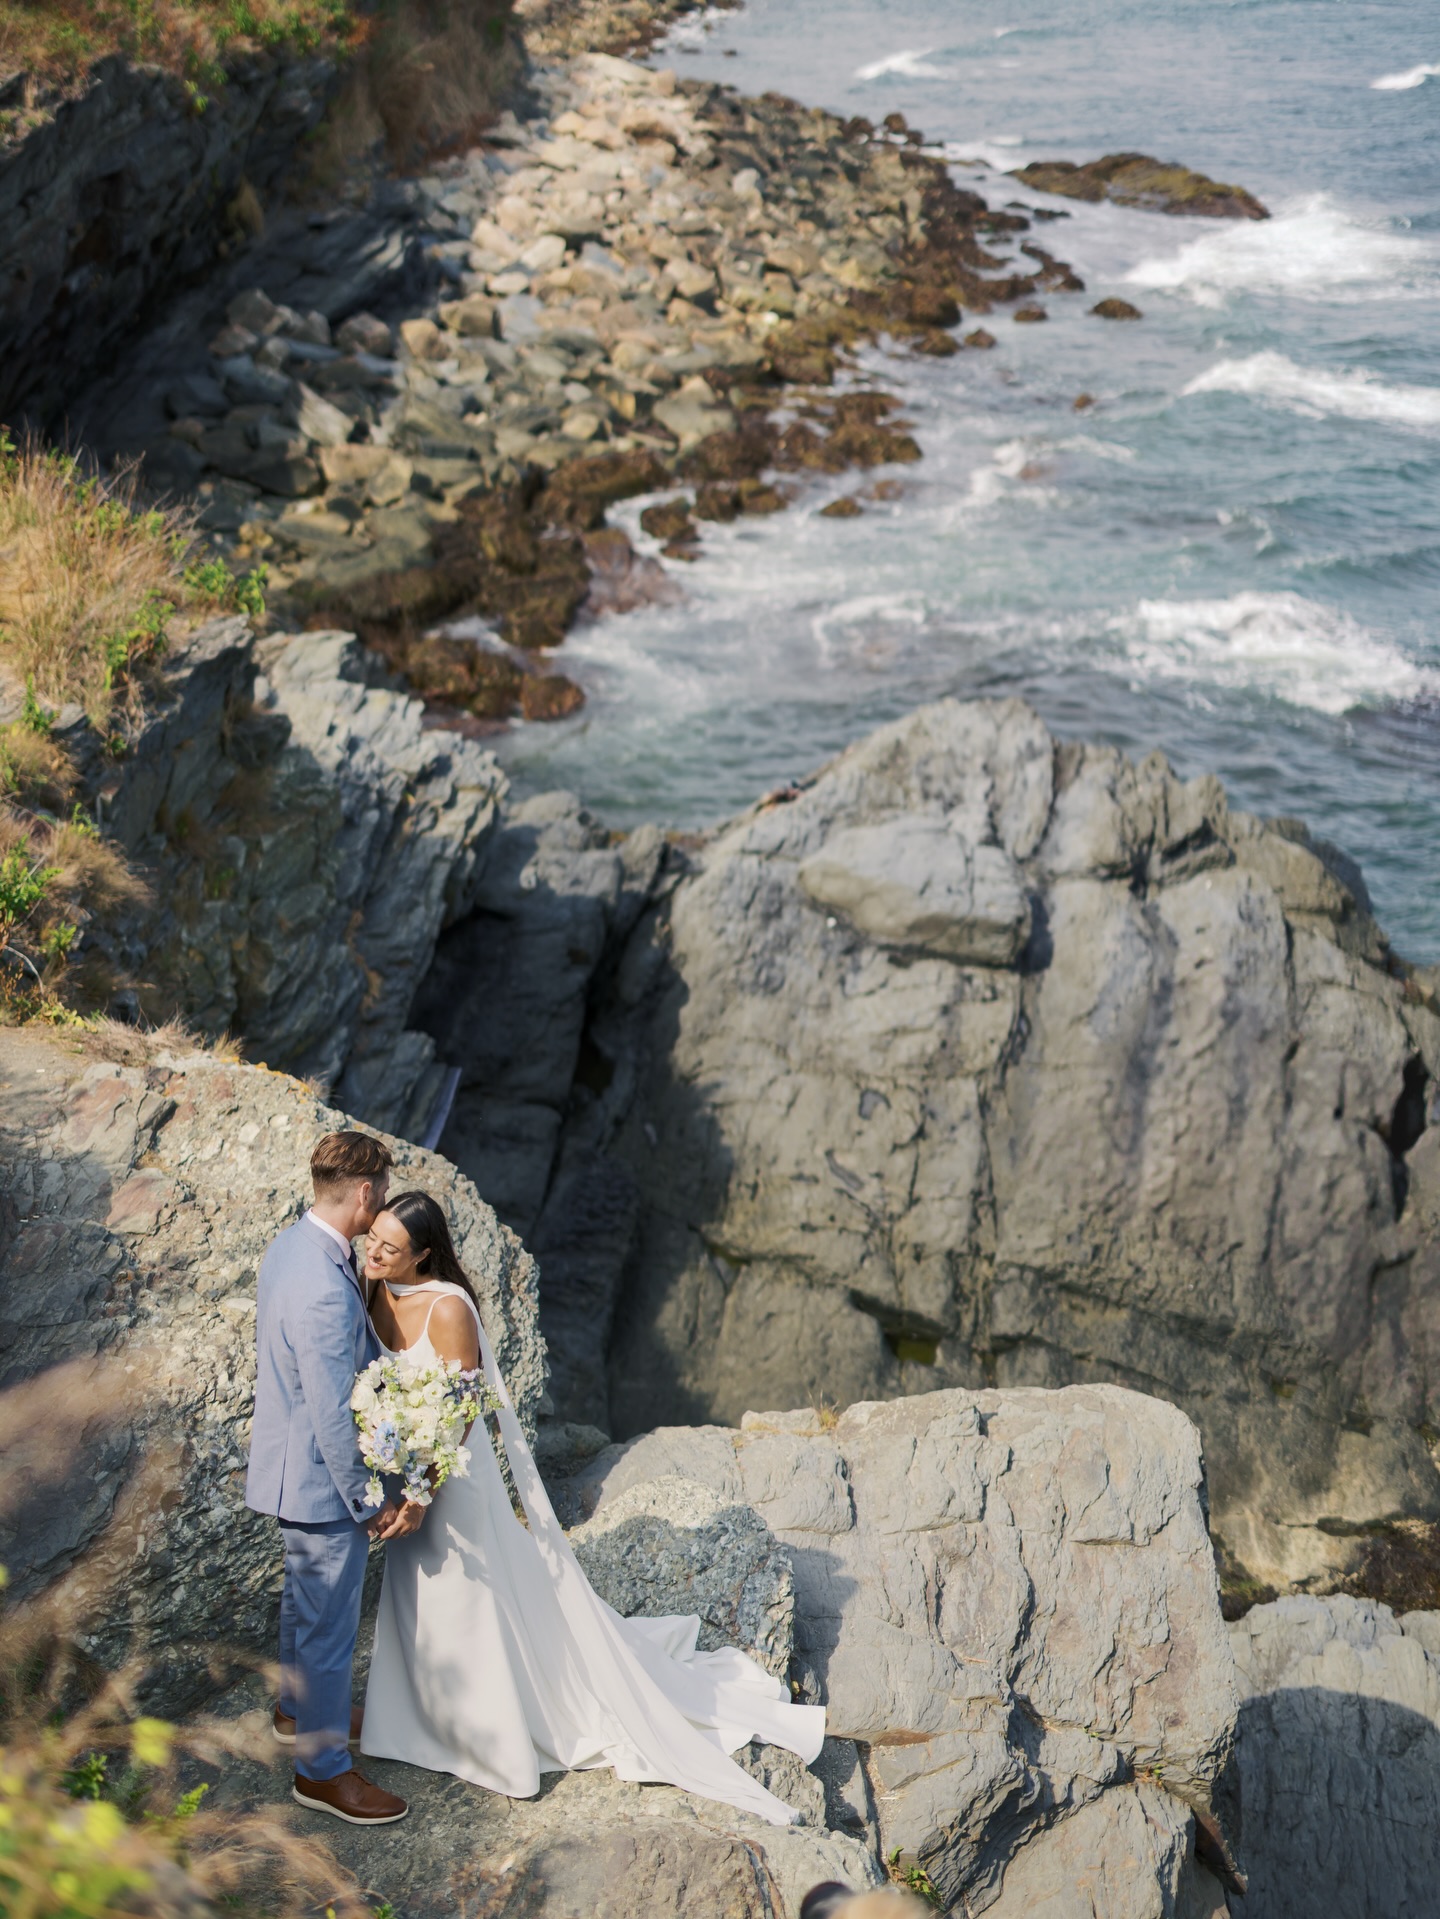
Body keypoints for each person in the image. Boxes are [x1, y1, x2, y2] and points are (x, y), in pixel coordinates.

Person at [359, 1189, 826, 1824]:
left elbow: (464, 1414)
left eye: (391, 1246)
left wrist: (421, 1491)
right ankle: (418, 1717)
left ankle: (491, 1741)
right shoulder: (372, 1284)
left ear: (424, 1255)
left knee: (466, 1593)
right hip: (407, 1469)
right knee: (415, 1590)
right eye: (374, 1239)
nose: (375, 1252)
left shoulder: (448, 1311)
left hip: (451, 1481)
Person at [245, 1131, 424, 1826]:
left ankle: (296, 1711)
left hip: (289, 1470)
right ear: (364, 1192)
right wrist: (368, 1498)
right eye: (378, 1189)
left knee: (303, 1604)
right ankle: (321, 1773)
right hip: (320, 1481)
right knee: (327, 1627)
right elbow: (330, 1411)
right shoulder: (322, 1285)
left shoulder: (294, 1245)